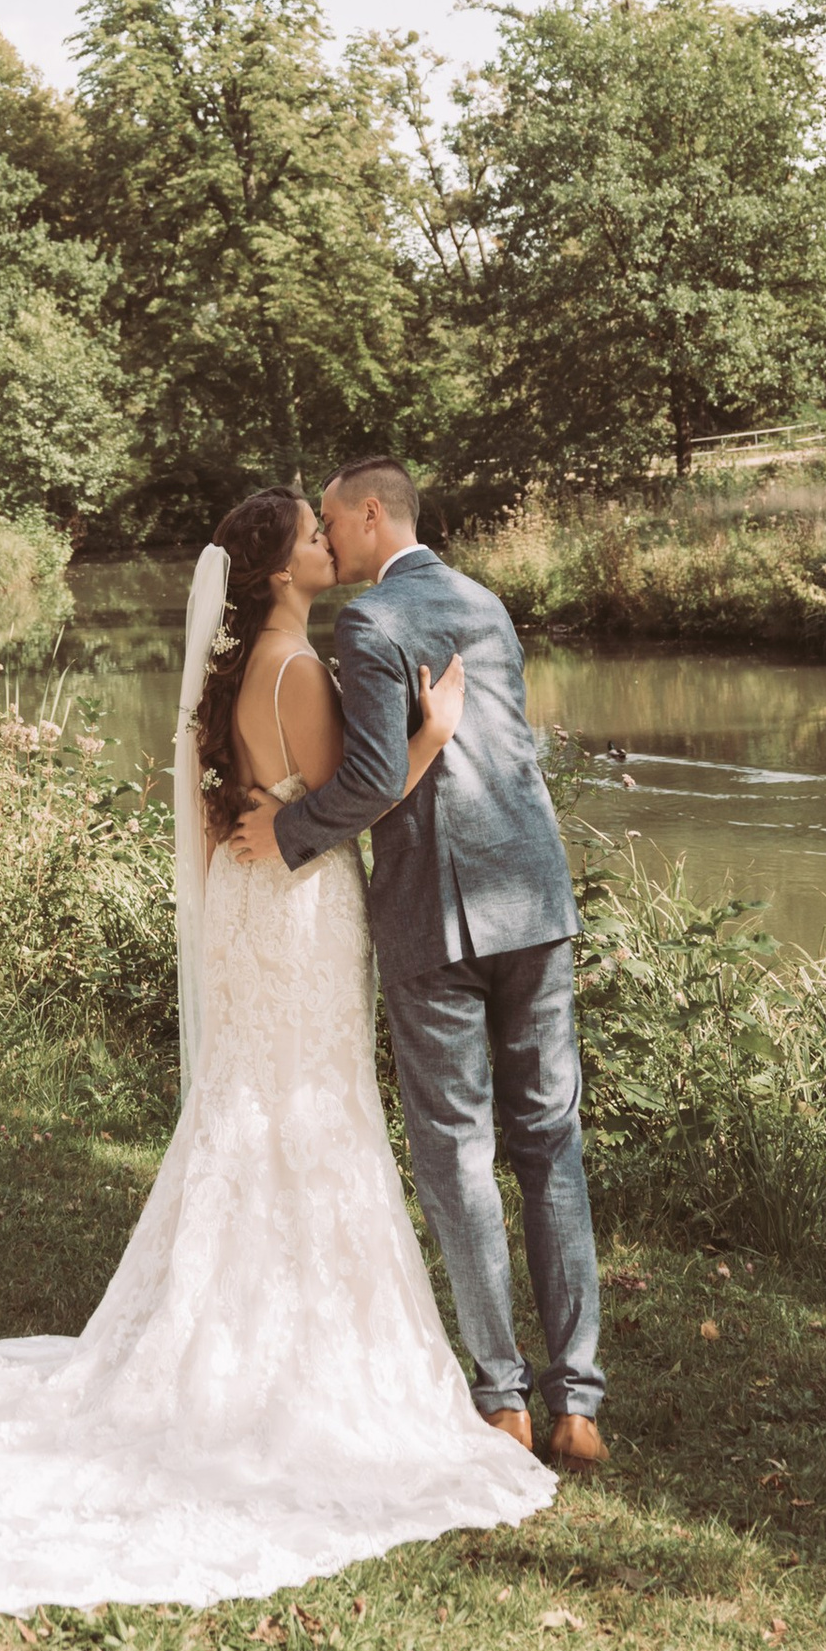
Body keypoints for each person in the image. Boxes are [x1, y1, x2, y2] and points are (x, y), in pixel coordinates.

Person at [0, 484, 553, 1611]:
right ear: (278, 569)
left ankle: (239, 1321)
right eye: (306, 534)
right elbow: (359, 798)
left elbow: (254, 800)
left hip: (254, 903)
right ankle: (291, 1359)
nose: (322, 541)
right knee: (308, 1109)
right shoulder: (297, 669)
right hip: (296, 911)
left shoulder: (249, 669)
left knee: (255, 1112)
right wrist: (433, 733)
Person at [228, 456, 606, 1469]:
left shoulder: (367, 622)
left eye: (334, 524)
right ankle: (578, 1402)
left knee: (454, 1151)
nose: (330, 544)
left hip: (435, 915)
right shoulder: (485, 602)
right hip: (534, 900)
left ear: (365, 512)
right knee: (550, 1144)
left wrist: (292, 828)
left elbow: (361, 779)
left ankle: (502, 1399)